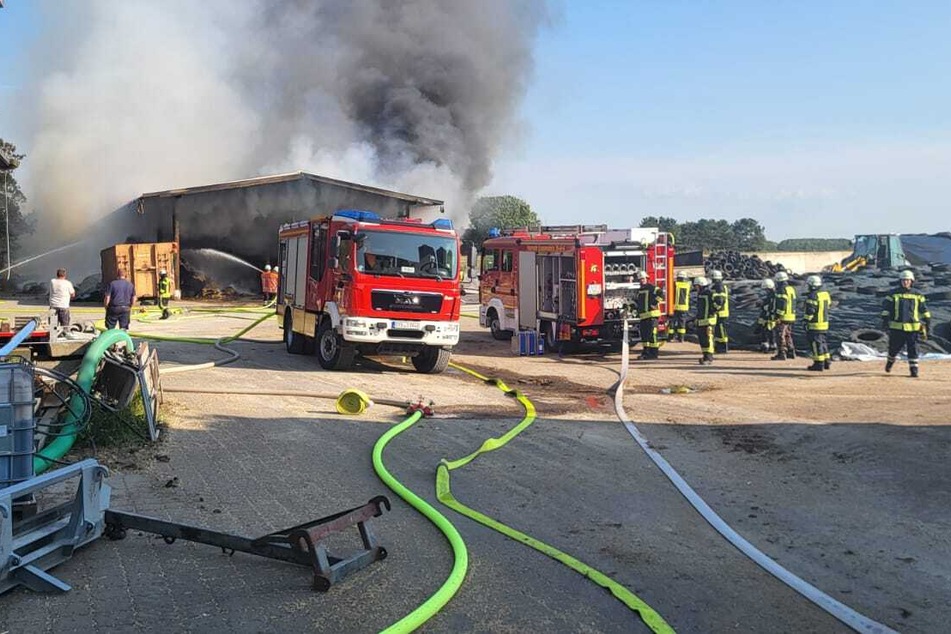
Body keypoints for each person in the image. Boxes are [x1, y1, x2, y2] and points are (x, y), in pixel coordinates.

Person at [881, 269, 931, 378]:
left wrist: (928, 322)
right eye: (903, 280)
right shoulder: (893, 294)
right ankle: (890, 362)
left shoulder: (918, 295)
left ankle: (914, 370)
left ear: (911, 281)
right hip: (896, 327)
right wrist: (885, 321)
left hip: (913, 328)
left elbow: (923, 309)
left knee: (912, 349)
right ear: (900, 281)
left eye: (908, 280)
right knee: (894, 348)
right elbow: (886, 309)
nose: (905, 282)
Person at [632, 270, 664, 360]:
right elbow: (638, 302)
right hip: (643, 316)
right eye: (640, 279)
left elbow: (661, 294)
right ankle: (646, 353)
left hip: (652, 316)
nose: (642, 280)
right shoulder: (640, 290)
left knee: (652, 335)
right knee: (644, 336)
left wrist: (654, 303)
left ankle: (654, 354)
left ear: (646, 278)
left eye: (643, 278)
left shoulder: (652, 287)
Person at [802, 275, 832, 371]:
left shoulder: (812, 296)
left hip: (815, 324)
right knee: (823, 342)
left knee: (815, 344)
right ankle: (827, 361)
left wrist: (806, 321)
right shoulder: (825, 294)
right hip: (824, 323)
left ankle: (818, 364)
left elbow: (810, 310)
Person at [693, 276, 720, 365]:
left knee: (708, 339)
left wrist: (713, 310)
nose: (695, 288)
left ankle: (709, 358)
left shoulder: (709, 293)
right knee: (703, 340)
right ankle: (705, 356)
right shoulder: (701, 294)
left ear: (701, 285)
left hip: (709, 321)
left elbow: (719, 302)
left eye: (696, 286)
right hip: (701, 321)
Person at [771, 271, 797, 360]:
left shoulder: (781, 290)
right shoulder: (791, 289)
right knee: (788, 334)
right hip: (791, 316)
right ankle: (791, 351)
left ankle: (781, 353)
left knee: (780, 335)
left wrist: (778, 316)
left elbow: (781, 304)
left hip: (783, 317)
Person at [49, 268, 76, 335]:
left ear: (57, 274)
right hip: (64, 306)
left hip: (53, 306)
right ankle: (64, 336)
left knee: (53, 326)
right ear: (65, 275)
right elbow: (73, 294)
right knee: (65, 325)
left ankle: (53, 337)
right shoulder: (68, 283)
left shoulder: (52, 281)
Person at [754, 278, 777, 353]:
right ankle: (765, 345)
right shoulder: (770, 294)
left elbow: (772, 306)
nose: (765, 291)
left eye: (766, 289)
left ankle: (771, 346)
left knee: (769, 330)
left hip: (770, 316)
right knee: (763, 329)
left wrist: (764, 306)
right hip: (766, 315)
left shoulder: (774, 295)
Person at [710, 269, 730, 353]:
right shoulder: (720, 285)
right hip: (721, 312)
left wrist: (715, 308)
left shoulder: (718, 286)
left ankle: (722, 348)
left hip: (721, 312)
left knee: (721, 330)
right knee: (719, 330)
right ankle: (719, 346)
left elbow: (720, 300)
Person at [670, 270, 691, 342]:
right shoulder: (688, 285)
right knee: (682, 323)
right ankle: (681, 338)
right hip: (684, 307)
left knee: (672, 322)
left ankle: (670, 337)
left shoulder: (675, 284)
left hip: (674, 307)